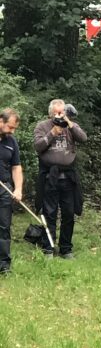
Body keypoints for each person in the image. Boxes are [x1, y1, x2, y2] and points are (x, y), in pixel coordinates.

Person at [33, 100, 87, 259]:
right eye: (57, 113)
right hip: (50, 176)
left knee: (69, 213)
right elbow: (38, 146)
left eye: (62, 112)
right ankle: (48, 248)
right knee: (49, 213)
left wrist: (69, 122)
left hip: (68, 177)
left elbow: (83, 138)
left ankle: (66, 248)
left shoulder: (70, 126)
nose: (60, 115)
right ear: (51, 113)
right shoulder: (42, 126)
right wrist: (52, 133)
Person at [0, 109, 23, 274]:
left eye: (14, 128)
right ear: (1, 121)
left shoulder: (11, 141)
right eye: (10, 127)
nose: (12, 131)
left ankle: (4, 266)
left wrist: (18, 188)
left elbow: (16, 167)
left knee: (4, 226)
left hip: (4, 188)